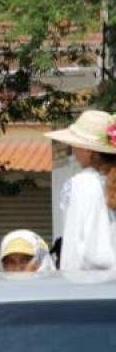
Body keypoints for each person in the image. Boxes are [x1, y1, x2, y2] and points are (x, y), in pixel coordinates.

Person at [45, 110, 116, 270]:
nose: (73, 151)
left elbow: (74, 247)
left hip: (94, 283)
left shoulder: (80, 185)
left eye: (75, 146)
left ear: (88, 151)